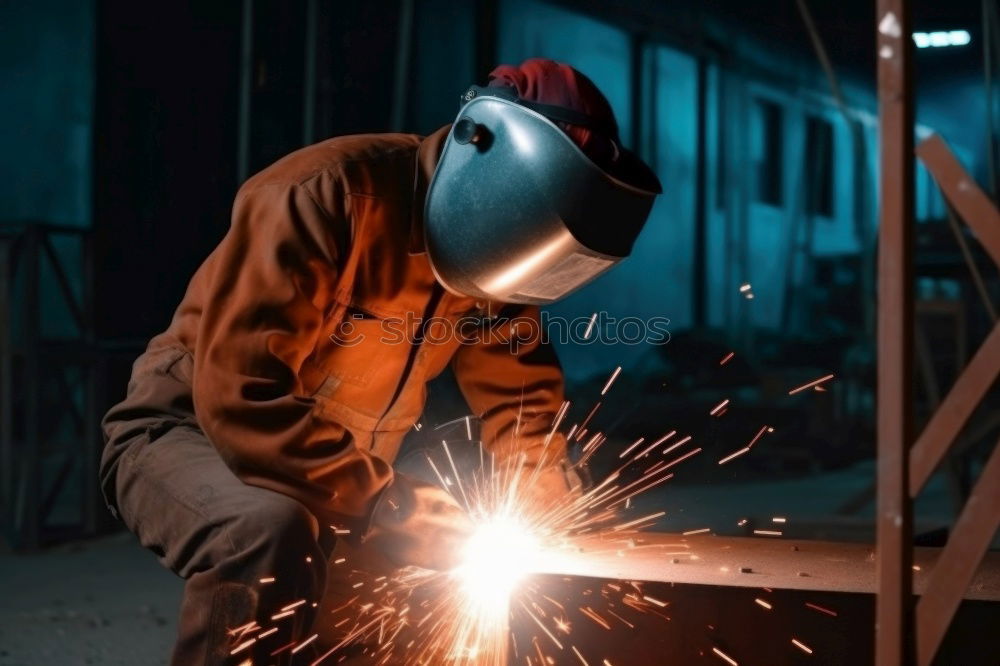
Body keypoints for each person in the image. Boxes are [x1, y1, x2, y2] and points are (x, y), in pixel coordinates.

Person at [99, 58, 661, 665]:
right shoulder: (323, 194)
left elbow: (523, 403)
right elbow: (242, 398)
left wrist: (545, 500)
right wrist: (394, 504)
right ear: (484, 159)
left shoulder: (500, 251)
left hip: (337, 467)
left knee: (418, 580)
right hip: (189, 434)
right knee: (269, 531)